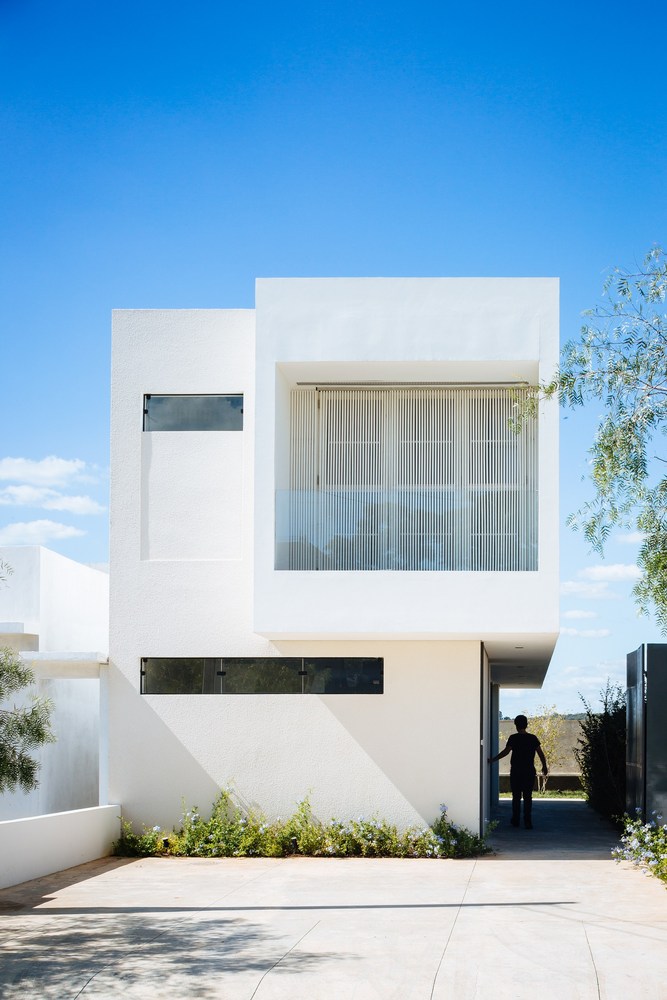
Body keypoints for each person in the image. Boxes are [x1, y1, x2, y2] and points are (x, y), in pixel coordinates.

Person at [488, 715, 547, 829]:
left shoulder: (513, 738)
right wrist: (544, 766)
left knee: (516, 796)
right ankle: (528, 822)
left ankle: (515, 820)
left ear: (516, 725)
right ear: (526, 725)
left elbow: (506, 752)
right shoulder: (533, 738)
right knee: (528, 797)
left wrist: (493, 760)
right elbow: (540, 753)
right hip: (529, 771)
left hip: (516, 771)